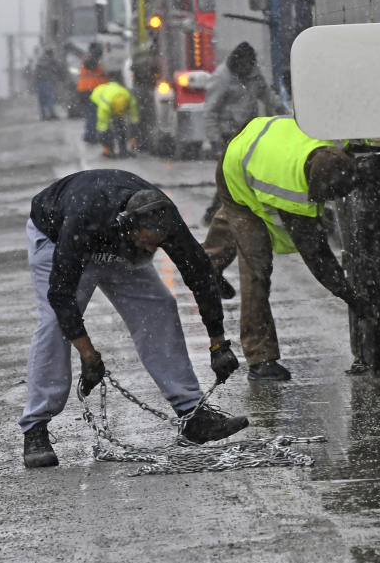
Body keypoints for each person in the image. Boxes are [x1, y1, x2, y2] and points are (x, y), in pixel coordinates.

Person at [21, 169, 248, 468]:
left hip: (117, 244)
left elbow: (201, 275)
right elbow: (61, 296)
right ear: (128, 226)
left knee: (160, 306)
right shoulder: (84, 218)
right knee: (54, 325)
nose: (152, 251)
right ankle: (35, 427)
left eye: (158, 245)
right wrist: (89, 356)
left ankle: (193, 414)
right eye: (147, 244)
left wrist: (218, 343)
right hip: (59, 239)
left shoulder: (163, 220)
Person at [203, 116, 369, 381]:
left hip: (254, 139)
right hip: (234, 165)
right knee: (256, 262)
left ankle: (207, 267)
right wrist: (352, 297)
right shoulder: (288, 189)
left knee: (241, 211)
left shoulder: (330, 142)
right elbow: (317, 257)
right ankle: (260, 359)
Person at [201, 42, 288, 225]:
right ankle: (217, 214)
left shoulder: (253, 74)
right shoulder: (221, 79)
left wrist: (283, 110)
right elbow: (210, 112)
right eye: (246, 64)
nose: (248, 68)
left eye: (251, 64)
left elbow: (265, 94)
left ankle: (229, 212)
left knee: (246, 173)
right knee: (230, 176)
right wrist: (215, 141)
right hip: (229, 135)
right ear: (237, 62)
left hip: (249, 132)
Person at [90, 80, 140, 158]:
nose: (121, 114)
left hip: (112, 94)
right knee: (105, 129)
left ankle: (123, 150)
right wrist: (105, 144)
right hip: (97, 97)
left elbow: (133, 120)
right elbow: (102, 128)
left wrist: (133, 137)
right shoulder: (104, 107)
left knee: (121, 127)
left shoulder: (130, 100)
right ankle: (109, 149)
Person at [76, 43, 110, 143]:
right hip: (91, 90)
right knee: (93, 114)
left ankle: (91, 134)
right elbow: (91, 65)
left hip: (88, 90)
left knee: (92, 113)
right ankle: (90, 135)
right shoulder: (91, 58)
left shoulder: (91, 58)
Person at [33, 47, 66, 120]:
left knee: (42, 100)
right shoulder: (51, 61)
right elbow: (58, 68)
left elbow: (35, 73)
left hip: (40, 82)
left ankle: (43, 115)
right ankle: (52, 114)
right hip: (47, 81)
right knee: (49, 98)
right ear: (51, 54)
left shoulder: (40, 61)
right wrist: (62, 78)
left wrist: (34, 83)